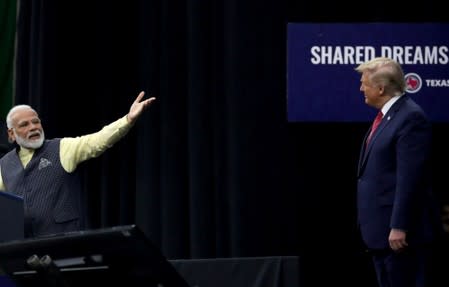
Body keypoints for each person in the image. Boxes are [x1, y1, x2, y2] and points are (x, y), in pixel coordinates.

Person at [0, 91, 156, 238]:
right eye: (24, 125)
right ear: (11, 134)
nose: (33, 127)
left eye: (36, 122)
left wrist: (128, 119)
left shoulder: (61, 148)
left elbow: (97, 141)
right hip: (23, 248)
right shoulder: (4, 164)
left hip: (64, 242)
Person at [355, 57, 442, 287]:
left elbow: (410, 178)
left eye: (364, 83)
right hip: (380, 232)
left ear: (381, 88)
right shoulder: (388, 117)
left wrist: (399, 225)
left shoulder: (410, 118)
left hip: (399, 237)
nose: (361, 88)